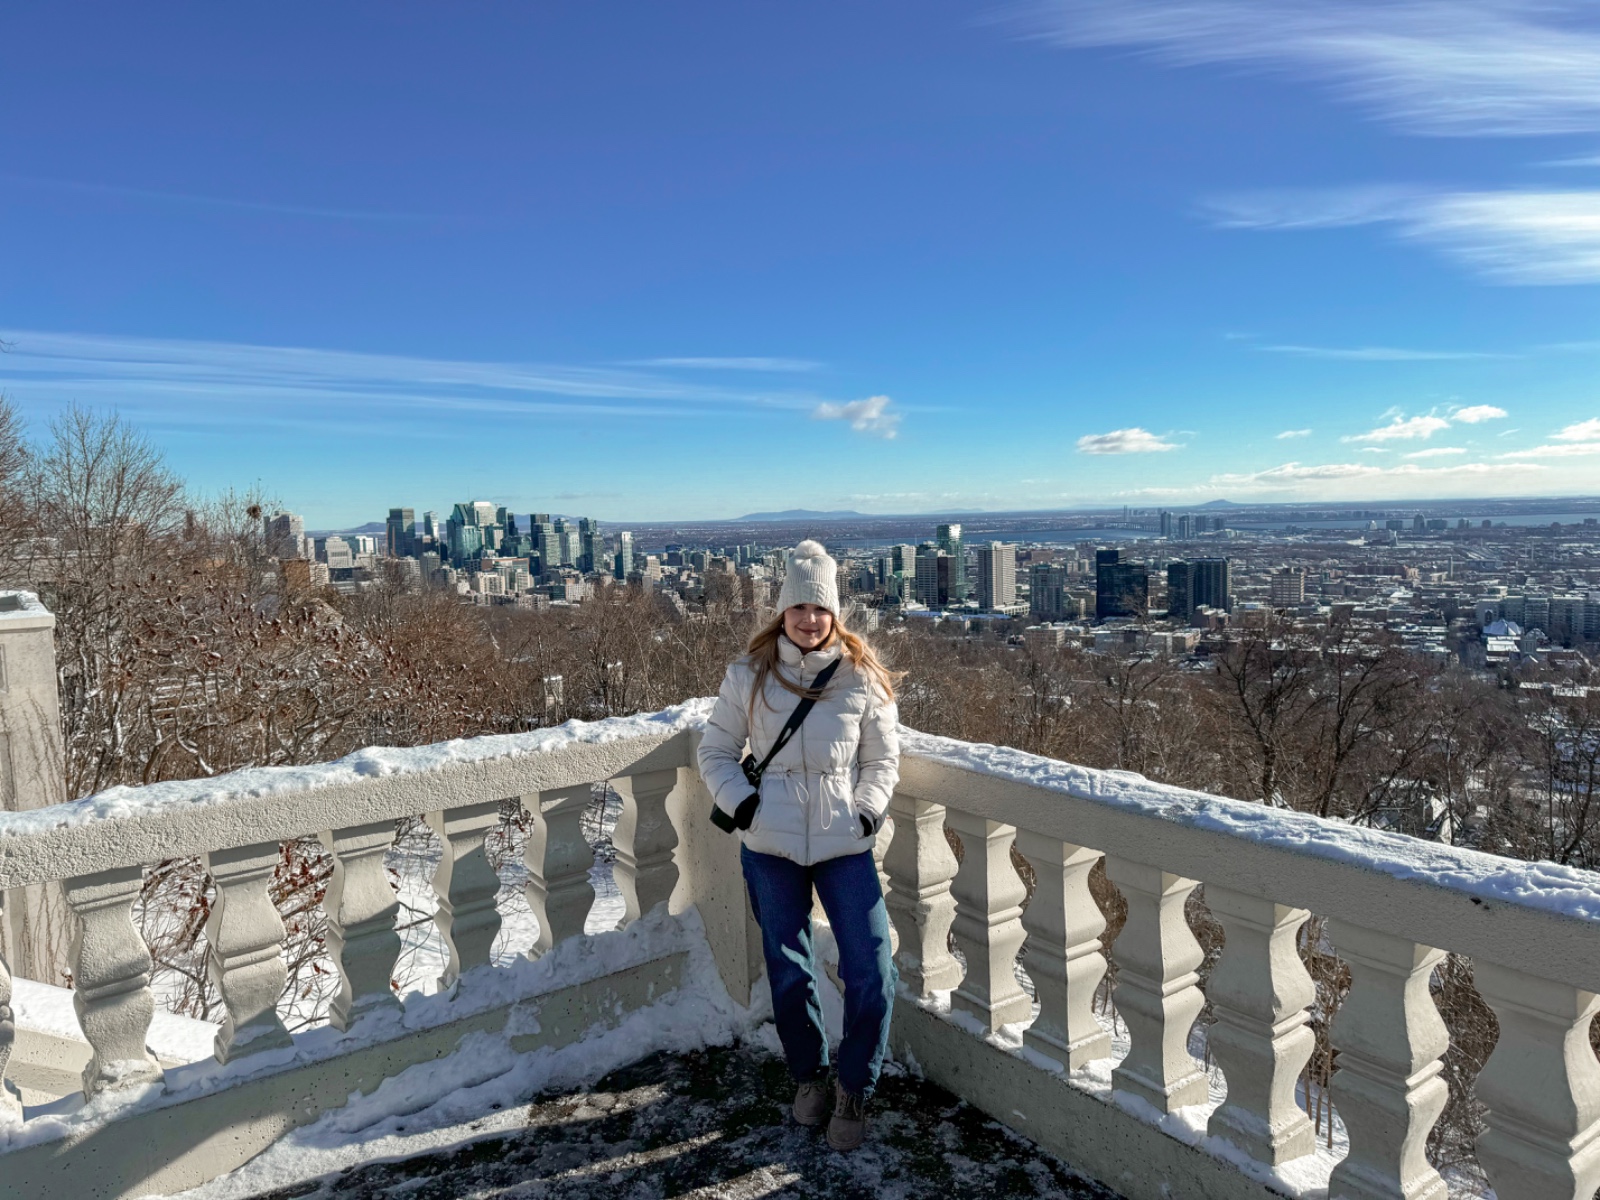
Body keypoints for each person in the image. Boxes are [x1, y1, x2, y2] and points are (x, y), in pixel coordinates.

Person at [697, 540, 900, 1152]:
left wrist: (865, 814)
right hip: (769, 846)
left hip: (844, 845)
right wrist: (748, 805)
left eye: (820, 610)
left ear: (835, 615)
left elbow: (883, 760)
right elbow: (715, 751)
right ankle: (810, 1078)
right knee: (789, 968)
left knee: (871, 966)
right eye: (798, 609)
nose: (809, 621)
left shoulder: (862, 679)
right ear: (781, 613)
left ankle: (855, 1087)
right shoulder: (749, 675)